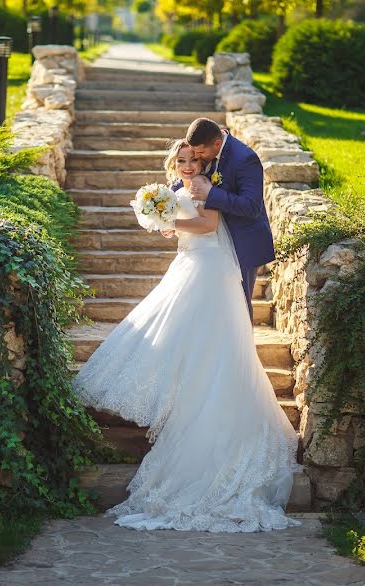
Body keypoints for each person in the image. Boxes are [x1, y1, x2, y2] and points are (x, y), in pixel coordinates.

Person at [75, 140, 300, 533]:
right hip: (189, 264)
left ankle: (209, 413)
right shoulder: (177, 188)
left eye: (193, 160)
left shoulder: (204, 186)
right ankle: (187, 397)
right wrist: (164, 219)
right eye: (181, 161)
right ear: (173, 163)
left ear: (204, 160)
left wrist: (170, 223)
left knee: (201, 338)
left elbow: (208, 225)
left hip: (209, 270)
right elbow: (184, 227)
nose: (187, 166)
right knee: (178, 335)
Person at [165, 118, 275, 321]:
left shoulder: (245, 159)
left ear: (216, 144)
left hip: (242, 242)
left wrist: (210, 194)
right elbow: (189, 174)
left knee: (238, 307)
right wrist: (166, 206)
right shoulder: (206, 146)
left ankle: (241, 352)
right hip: (212, 245)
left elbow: (252, 207)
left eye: (200, 154)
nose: (197, 158)